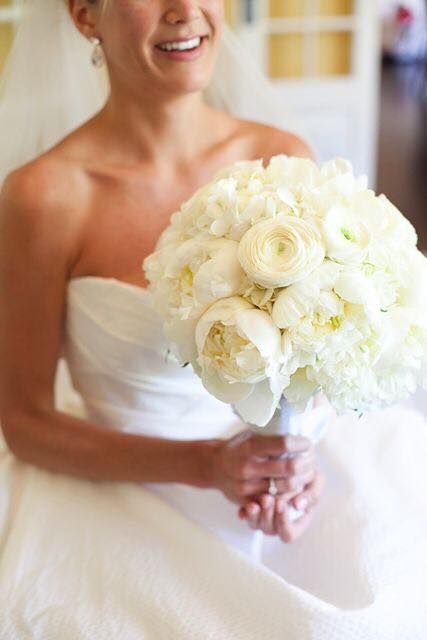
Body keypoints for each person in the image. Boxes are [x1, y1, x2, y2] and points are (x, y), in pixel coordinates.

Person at [0, 2, 426, 638]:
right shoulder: (44, 197)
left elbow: (320, 350)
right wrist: (207, 467)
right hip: (123, 494)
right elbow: (25, 422)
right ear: (87, 16)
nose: (185, 11)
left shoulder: (278, 157)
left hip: (276, 486)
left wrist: (290, 469)